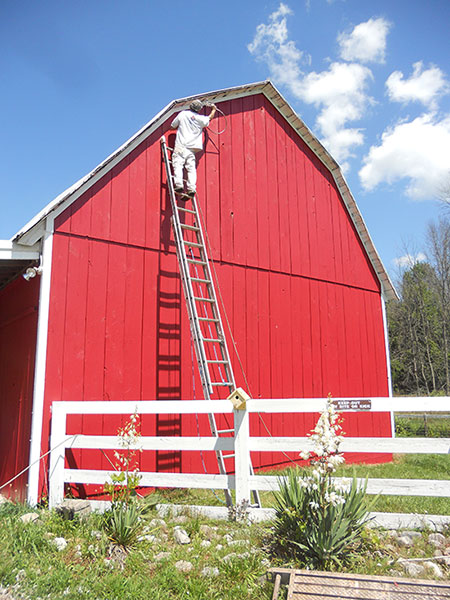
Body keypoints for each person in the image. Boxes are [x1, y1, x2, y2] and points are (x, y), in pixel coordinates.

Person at [171, 99, 216, 197]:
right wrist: (213, 109)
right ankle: (191, 188)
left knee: (178, 165)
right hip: (192, 148)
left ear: (190, 106)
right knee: (191, 169)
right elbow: (209, 118)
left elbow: (173, 125)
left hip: (181, 145)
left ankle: (179, 185)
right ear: (199, 109)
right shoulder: (201, 119)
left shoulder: (183, 114)